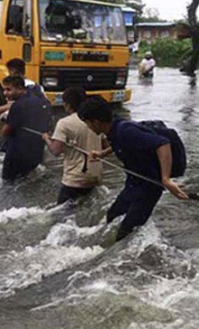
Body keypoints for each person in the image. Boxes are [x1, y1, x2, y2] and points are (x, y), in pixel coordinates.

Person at [77, 97, 188, 241]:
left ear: (95, 122)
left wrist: (165, 179)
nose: (88, 128)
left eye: (87, 124)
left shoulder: (125, 130)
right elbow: (124, 143)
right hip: (134, 182)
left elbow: (163, 144)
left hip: (149, 185)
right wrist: (102, 153)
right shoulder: (114, 128)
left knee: (126, 232)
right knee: (112, 216)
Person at [41, 87, 105, 204]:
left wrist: (46, 139)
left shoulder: (65, 123)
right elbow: (105, 146)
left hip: (74, 179)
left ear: (68, 105)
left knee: (59, 215)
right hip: (95, 176)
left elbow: (55, 151)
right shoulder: (96, 120)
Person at [0, 76, 52, 181]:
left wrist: (6, 121)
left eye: (8, 89)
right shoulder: (41, 101)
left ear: (20, 88)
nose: (5, 93)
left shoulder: (18, 105)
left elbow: (6, 131)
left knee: (8, 184)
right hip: (36, 152)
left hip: (17, 154)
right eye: (4, 89)